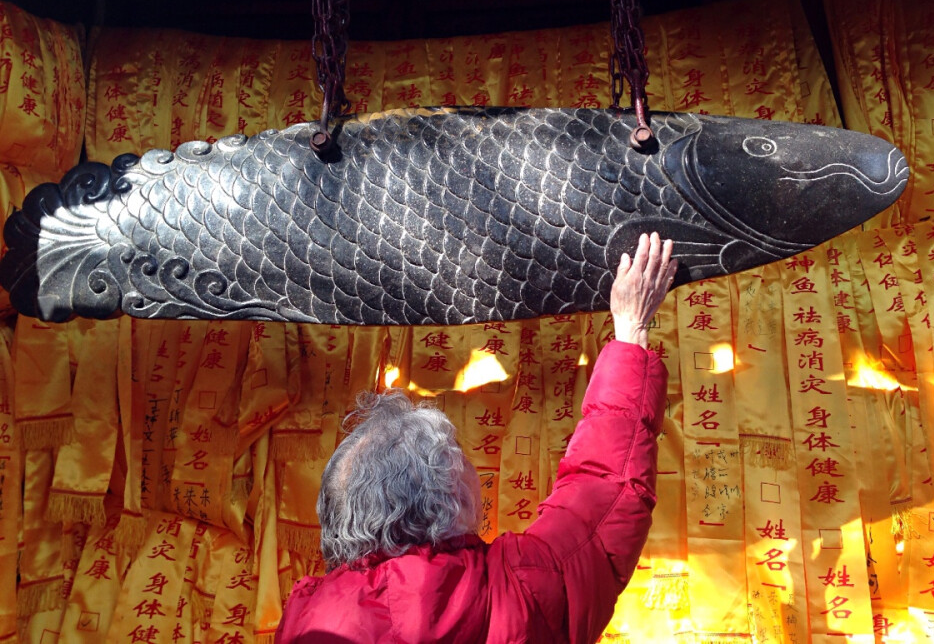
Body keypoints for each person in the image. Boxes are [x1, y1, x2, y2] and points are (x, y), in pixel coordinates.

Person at [275, 233, 677, 644]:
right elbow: (604, 491)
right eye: (461, 463)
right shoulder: (514, 592)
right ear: (454, 503)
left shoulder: (305, 622)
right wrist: (631, 332)